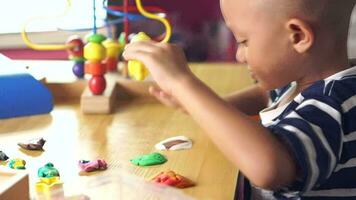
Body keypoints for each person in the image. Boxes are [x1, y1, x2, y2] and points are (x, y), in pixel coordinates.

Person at [123, 0, 356, 199]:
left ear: (298, 36)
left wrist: (183, 83)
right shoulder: (302, 81)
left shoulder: (331, 107)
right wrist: (196, 103)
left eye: (244, 41)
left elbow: (269, 168)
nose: (238, 54)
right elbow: (264, 96)